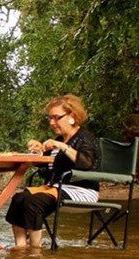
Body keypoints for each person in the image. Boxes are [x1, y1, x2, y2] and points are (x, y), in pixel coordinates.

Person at [5, 94, 100, 248]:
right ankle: (20, 247)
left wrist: (62, 147)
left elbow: (87, 163)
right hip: (56, 187)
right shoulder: (60, 139)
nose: (51, 122)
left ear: (72, 116)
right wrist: (38, 152)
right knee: (19, 199)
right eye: (50, 118)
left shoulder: (85, 138)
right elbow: (46, 164)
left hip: (82, 190)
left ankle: (35, 251)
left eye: (56, 117)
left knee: (33, 202)